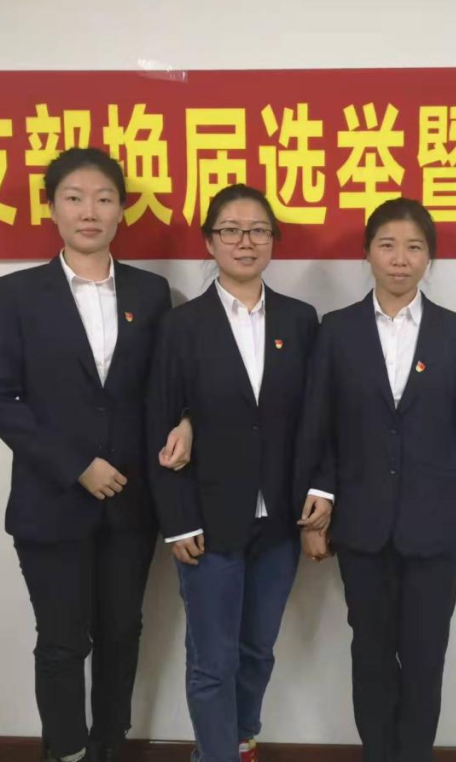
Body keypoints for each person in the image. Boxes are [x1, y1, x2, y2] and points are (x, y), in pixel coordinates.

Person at [0, 147, 192, 762]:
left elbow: (169, 385)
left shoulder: (151, 292)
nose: (89, 211)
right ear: (52, 208)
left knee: (122, 635)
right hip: (50, 504)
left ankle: (108, 749)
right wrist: (75, 465)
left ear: (122, 209)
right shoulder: (19, 293)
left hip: (131, 505)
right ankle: (65, 752)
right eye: (74, 198)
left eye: (103, 198)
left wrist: (187, 420)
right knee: (63, 642)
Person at [295, 197, 456, 762]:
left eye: (413, 247)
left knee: (426, 658)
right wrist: (315, 513)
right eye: (387, 245)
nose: (400, 259)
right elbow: (319, 428)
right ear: (367, 254)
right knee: (372, 656)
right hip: (362, 526)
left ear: (429, 257)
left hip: (439, 525)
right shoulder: (337, 331)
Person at [147, 184, 326, 762]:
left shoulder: (301, 320)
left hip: (278, 521)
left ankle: (242, 740)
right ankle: (215, 755)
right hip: (207, 518)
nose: (245, 242)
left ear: (273, 240)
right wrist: (177, 521)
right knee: (212, 660)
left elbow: (317, 417)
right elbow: (160, 424)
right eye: (230, 230)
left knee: (257, 650)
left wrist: (320, 494)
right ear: (209, 242)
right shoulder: (181, 325)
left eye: (258, 230)